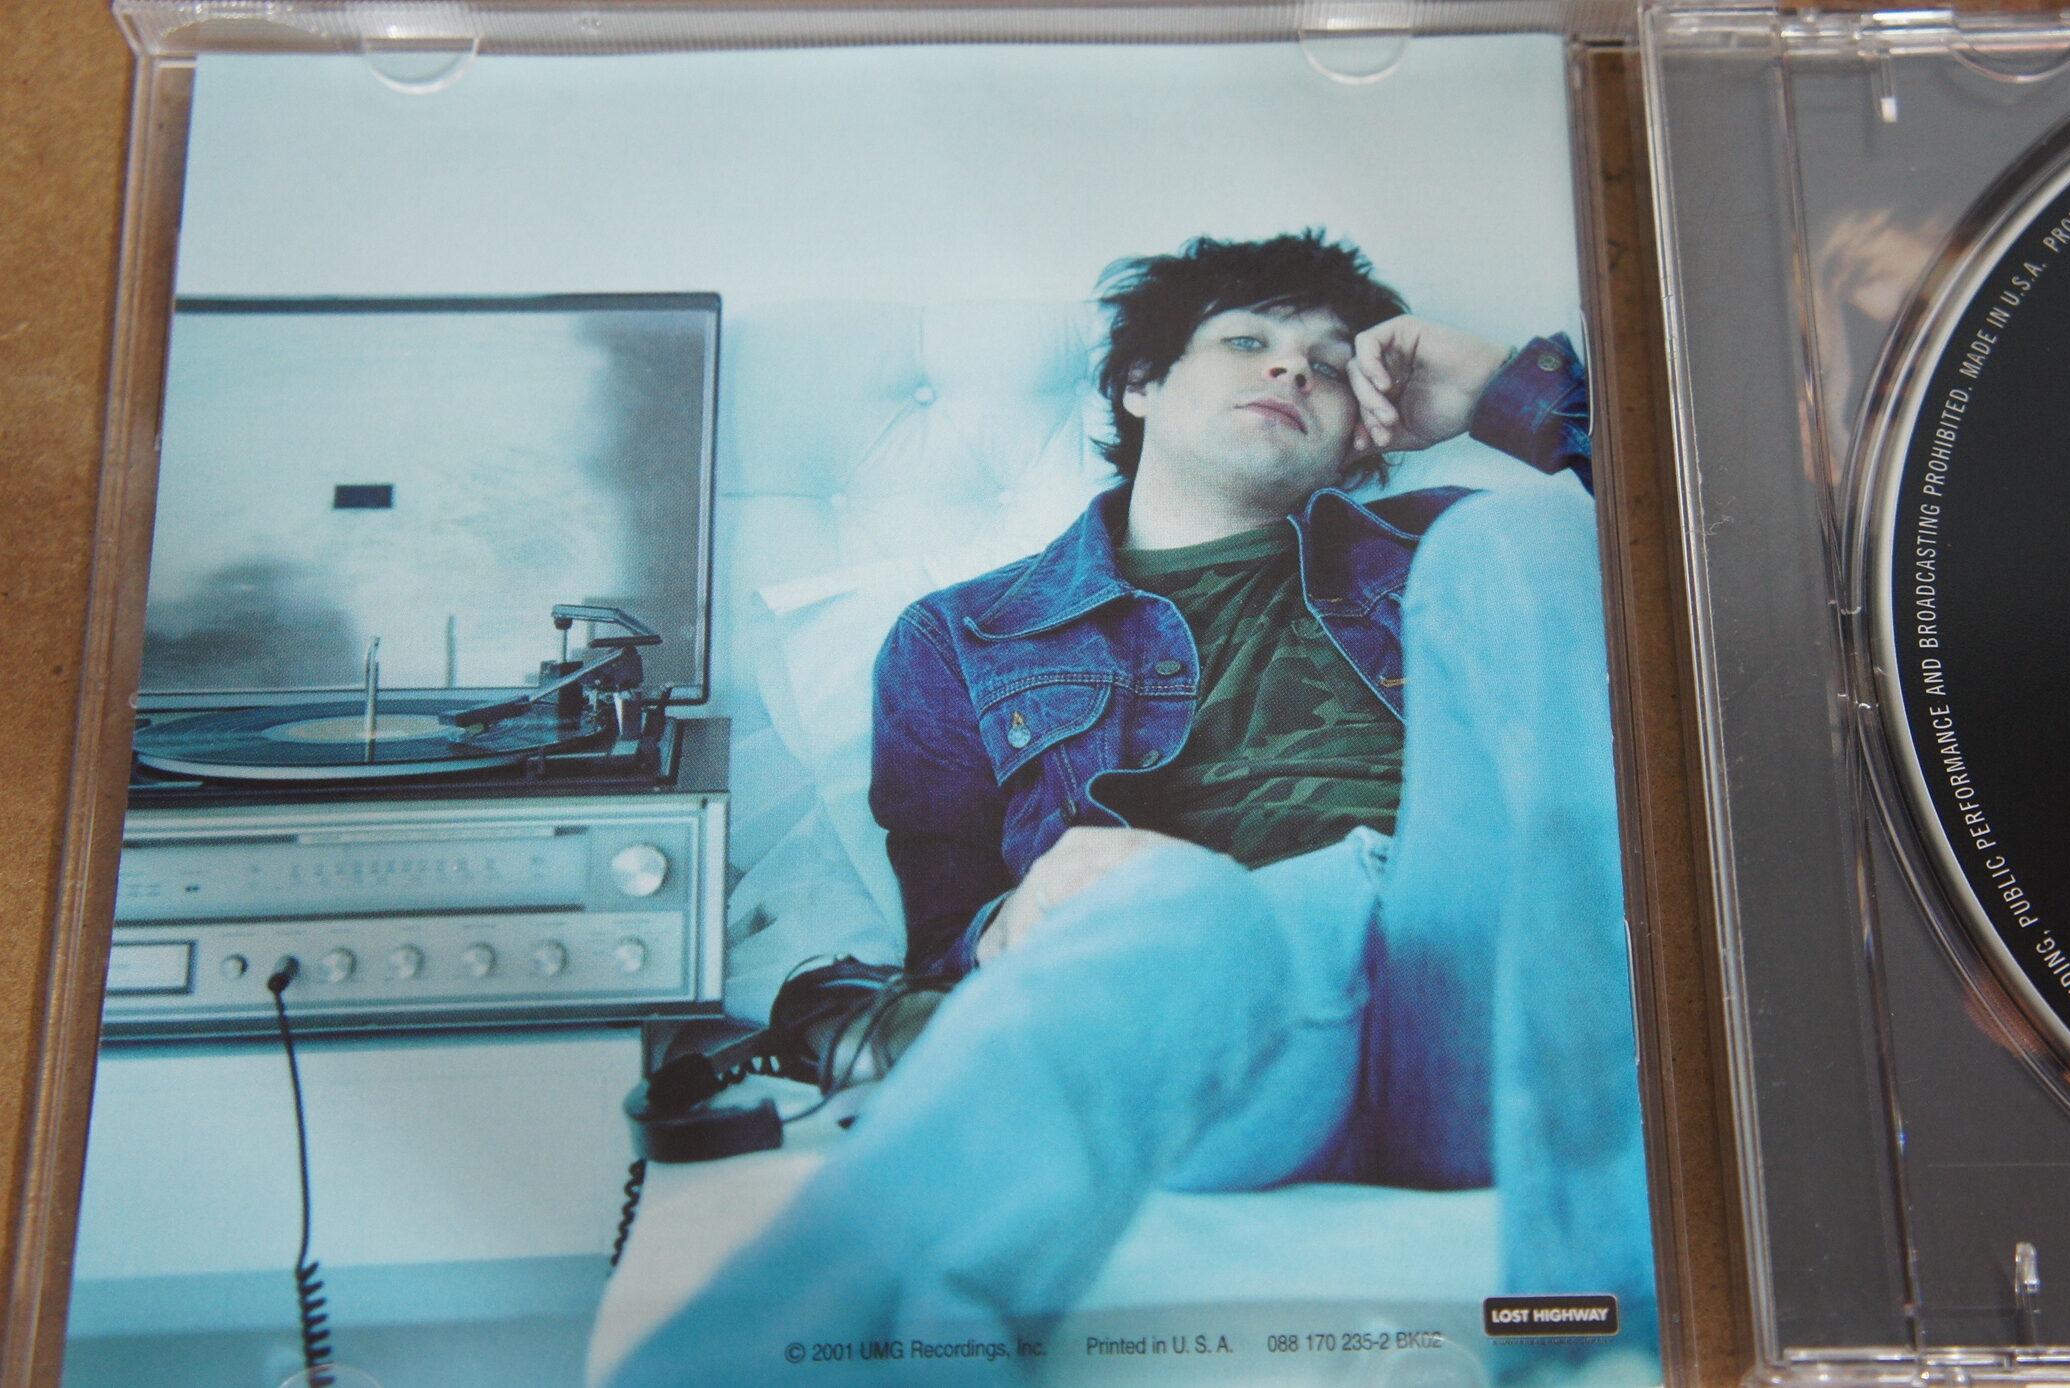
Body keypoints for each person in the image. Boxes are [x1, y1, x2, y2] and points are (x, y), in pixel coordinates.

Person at [607, 233, 1654, 1385]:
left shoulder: (1445, 547)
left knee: (1523, 529)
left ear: (1362, 425)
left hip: (1475, 979)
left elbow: (1720, 546)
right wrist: (1012, 918)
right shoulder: (962, 633)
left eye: (1327, 361)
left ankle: (1605, 1322)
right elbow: (945, 930)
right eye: (1246, 340)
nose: (1290, 368)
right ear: (1143, 382)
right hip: (1218, 1001)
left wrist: (1505, 390)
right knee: (1175, 896)